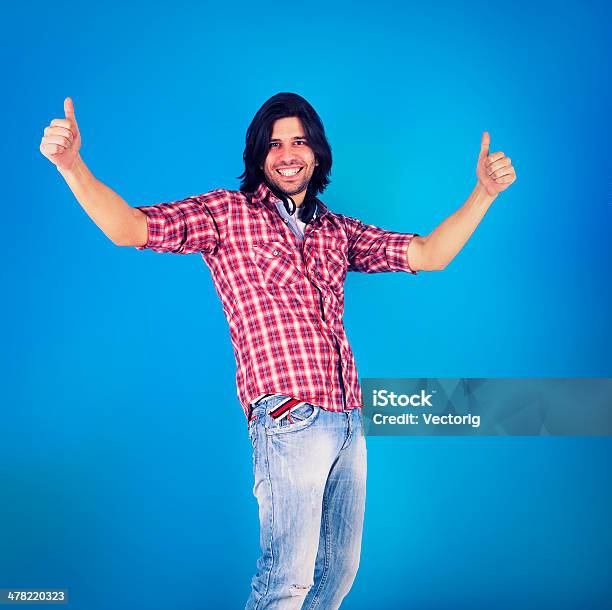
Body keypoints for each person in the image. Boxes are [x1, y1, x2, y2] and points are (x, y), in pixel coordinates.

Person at [40, 93, 517, 609]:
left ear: (316, 152)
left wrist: (484, 195)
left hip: (348, 419)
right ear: (258, 156)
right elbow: (129, 227)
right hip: (289, 417)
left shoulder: (336, 230)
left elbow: (429, 254)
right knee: (286, 581)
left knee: (336, 573)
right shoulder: (226, 215)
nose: (287, 153)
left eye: (298, 141)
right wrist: (71, 166)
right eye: (274, 144)